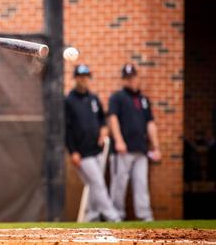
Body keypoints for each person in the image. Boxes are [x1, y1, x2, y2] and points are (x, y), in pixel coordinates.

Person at [65, 64, 120, 222]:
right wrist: (73, 151)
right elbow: (67, 129)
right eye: (80, 77)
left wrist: (104, 131)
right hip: (82, 153)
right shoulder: (69, 101)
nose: (83, 80)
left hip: (97, 150)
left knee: (94, 185)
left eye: (86, 76)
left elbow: (103, 120)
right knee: (97, 183)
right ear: (75, 78)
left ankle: (91, 216)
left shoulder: (94, 99)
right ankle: (113, 216)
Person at [108, 64, 162, 221]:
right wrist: (119, 141)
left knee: (141, 184)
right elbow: (113, 119)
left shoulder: (143, 100)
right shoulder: (117, 97)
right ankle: (116, 216)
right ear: (123, 80)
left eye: (133, 77)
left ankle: (145, 216)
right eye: (127, 78)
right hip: (122, 150)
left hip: (141, 150)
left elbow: (150, 123)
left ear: (137, 78)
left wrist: (156, 147)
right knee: (119, 185)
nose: (131, 80)